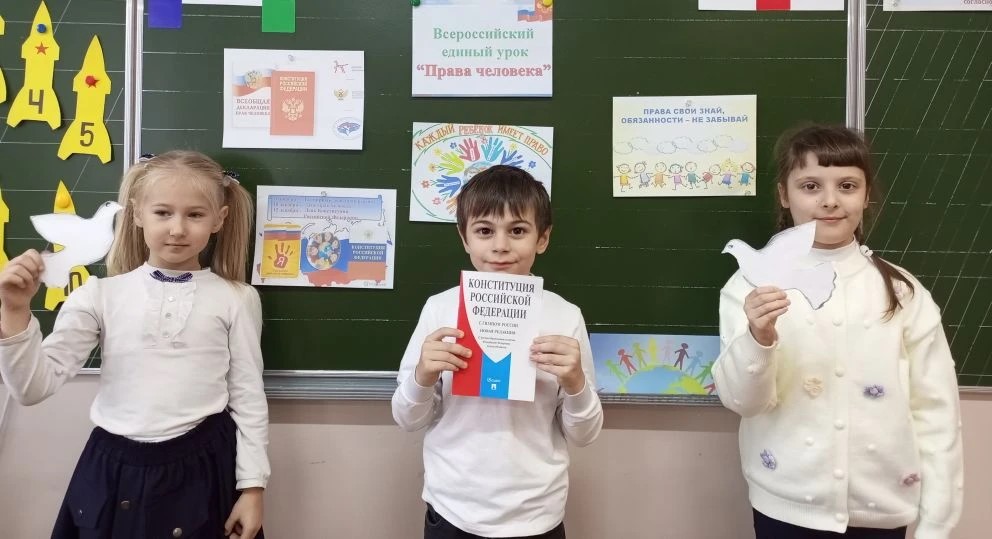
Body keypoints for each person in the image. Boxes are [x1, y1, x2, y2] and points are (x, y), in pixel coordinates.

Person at [0, 151, 269, 539]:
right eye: (163, 212)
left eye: (194, 214)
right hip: (113, 470)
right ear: (137, 213)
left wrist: (253, 487)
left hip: (204, 467)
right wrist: (14, 311)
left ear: (219, 219)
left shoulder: (237, 298)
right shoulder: (98, 295)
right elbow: (31, 388)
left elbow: (248, 397)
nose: (177, 228)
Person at [712, 125, 963, 539]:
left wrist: (937, 520)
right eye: (810, 186)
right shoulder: (749, 287)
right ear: (784, 195)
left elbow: (936, 409)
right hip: (786, 507)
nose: (830, 200)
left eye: (847, 185)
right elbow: (743, 402)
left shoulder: (901, 291)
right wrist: (758, 339)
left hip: (882, 509)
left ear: (866, 196)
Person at [392, 165, 604, 538]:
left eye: (518, 231)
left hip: (537, 515)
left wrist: (576, 384)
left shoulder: (565, 316)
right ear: (464, 238)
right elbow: (408, 418)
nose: (500, 246)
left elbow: (584, 434)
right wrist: (421, 377)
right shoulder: (440, 310)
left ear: (542, 238)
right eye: (484, 231)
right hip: (453, 509)